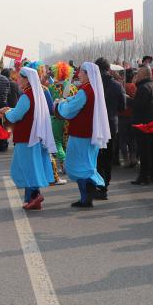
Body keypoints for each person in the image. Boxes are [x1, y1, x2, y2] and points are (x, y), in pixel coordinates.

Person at [0, 66, 55, 210]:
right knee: (31, 167)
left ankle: (34, 197)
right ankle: (33, 199)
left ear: (27, 80)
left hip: (27, 137)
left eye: (19, 77)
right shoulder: (36, 93)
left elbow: (16, 116)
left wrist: (6, 112)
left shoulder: (27, 96)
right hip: (34, 136)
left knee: (27, 168)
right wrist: (11, 111)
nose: (17, 80)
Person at [56, 62, 110, 208]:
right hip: (90, 133)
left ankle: (90, 192)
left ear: (87, 74)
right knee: (87, 164)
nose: (78, 74)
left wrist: (61, 104)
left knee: (76, 166)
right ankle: (87, 196)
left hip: (81, 134)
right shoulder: (93, 89)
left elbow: (69, 110)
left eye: (81, 72)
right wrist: (67, 101)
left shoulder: (85, 90)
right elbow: (75, 103)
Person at [93, 58, 126, 198]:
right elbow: (122, 107)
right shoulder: (117, 85)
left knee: (96, 157)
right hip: (112, 125)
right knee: (108, 158)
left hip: (95, 125)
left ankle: (98, 186)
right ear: (109, 69)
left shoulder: (93, 84)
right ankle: (105, 186)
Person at [128, 66, 153, 185]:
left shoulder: (143, 88)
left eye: (138, 74)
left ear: (143, 75)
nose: (136, 76)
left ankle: (144, 176)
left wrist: (128, 100)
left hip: (144, 124)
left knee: (144, 152)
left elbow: (137, 106)